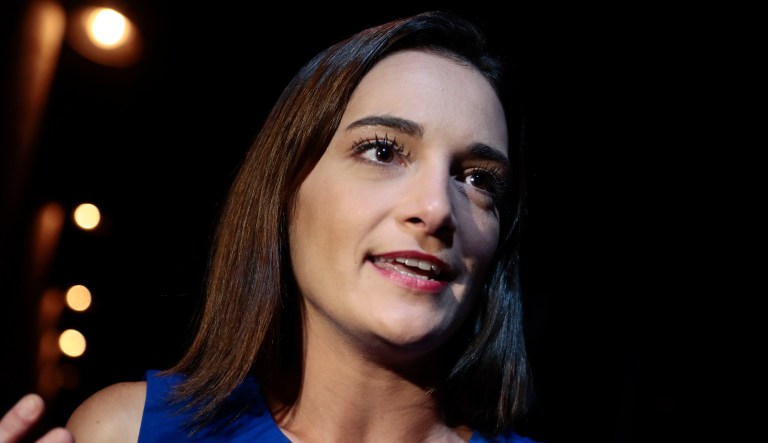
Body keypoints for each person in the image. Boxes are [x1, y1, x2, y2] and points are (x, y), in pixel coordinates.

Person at [2, 10, 540, 442]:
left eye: (477, 179)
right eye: (382, 151)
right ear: (285, 193)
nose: (437, 208)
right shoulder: (126, 430)